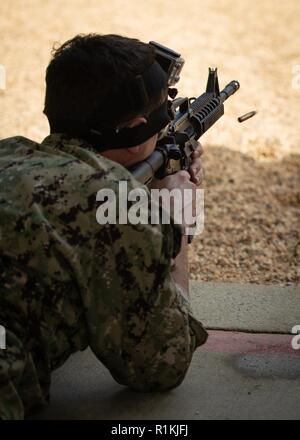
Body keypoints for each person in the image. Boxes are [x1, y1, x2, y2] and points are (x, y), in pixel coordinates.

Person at [0, 34, 208, 420]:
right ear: (135, 129)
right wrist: (172, 224)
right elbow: (162, 364)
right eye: (164, 116)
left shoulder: (8, 152)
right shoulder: (119, 208)